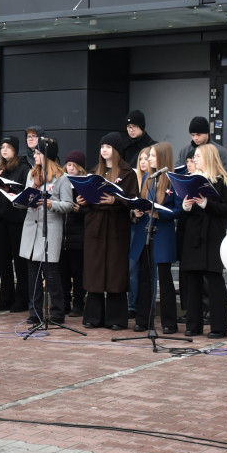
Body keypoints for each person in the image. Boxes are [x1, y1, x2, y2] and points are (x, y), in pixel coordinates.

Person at [78, 132, 139, 330]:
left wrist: (116, 200)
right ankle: (93, 317)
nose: (104, 150)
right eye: (102, 147)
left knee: (115, 271)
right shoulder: (95, 171)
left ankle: (116, 318)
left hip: (116, 227)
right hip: (95, 226)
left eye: (108, 147)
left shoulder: (128, 173)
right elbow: (88, 197)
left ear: (117, 150)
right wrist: (83, 201)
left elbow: (133, 200)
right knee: (95, 270)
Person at [180, 143, 227, 338]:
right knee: (193, 280)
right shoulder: (191, 180)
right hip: (193, 235)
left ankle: (219, 327)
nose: (194, 159)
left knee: (214, 279)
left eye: (197, 156)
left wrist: (206, 204)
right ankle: (193, 325)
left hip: (212, 235)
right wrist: (186, 206)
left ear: (208, 157)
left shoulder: (225, 181)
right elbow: (184, 213)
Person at [18, 139, 74, 325]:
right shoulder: (31, 174)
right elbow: (25, 196)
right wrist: (18, 199)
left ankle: (57, 312)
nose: (34, 156)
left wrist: (51, 203)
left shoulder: (62, 177)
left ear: (47, 155)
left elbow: (68, 205)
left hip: (49, 228)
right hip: (30, 227)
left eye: (37, 153)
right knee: (32, 273)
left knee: (50, 273)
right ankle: (34, 312)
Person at [131, 143, 180, 333]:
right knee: (145, 277)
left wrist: (162, 214)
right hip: (147, 231)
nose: (149, 159)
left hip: (164, 233)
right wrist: (138, 211)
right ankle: (143, 320)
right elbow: (143, 202)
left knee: (165, 280)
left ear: (162, 158)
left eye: (152, 156)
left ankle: (169, 322)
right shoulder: (147, 178)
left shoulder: (173, 180)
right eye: (148, 155)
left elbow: (178, 210)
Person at [0, 137, 26, 312]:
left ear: (16, 150)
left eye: (8, 147)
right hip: (0, 219)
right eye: (2, 147)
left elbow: (25, 193)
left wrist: (10, 189)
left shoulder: (24, 168)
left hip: (17, 220)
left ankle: (21, 298)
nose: (4, 150)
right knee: (3, 261)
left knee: (19, 262)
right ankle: (6, 297)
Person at [60, 149, 87, 317]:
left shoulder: (84, 185)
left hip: (78, 236)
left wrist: (79, 210)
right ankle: (64, 302)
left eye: (74, 166)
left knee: (78, 273)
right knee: (63, 272)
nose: (70, 168)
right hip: (63, 235)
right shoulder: (62, 182)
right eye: (68, 165)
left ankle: (78, 303)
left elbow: (89, 212)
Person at [127, 146, 152, 319]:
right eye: (141, 159)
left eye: (146, 158)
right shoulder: (134, 179)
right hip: (136, 226)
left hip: (151, 226)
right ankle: (132, 305)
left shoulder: (154, 180)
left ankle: (146, 306)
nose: (143, 162)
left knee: (148, 270)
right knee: (132, 267)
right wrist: (133, 212)